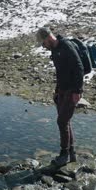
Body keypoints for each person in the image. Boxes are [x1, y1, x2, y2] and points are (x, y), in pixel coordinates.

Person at [36, 27, 84, 166]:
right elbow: (60, 72)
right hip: (62, 90)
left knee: (62, 121)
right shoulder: (55, 50)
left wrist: (77, 91)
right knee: (65, 122)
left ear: (48, 38)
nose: (43, 47)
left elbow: (79, 68)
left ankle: (64, 155)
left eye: (43, 44)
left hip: (72, 90)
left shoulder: (66, 47)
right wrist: (57, 91)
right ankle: (72, 153)